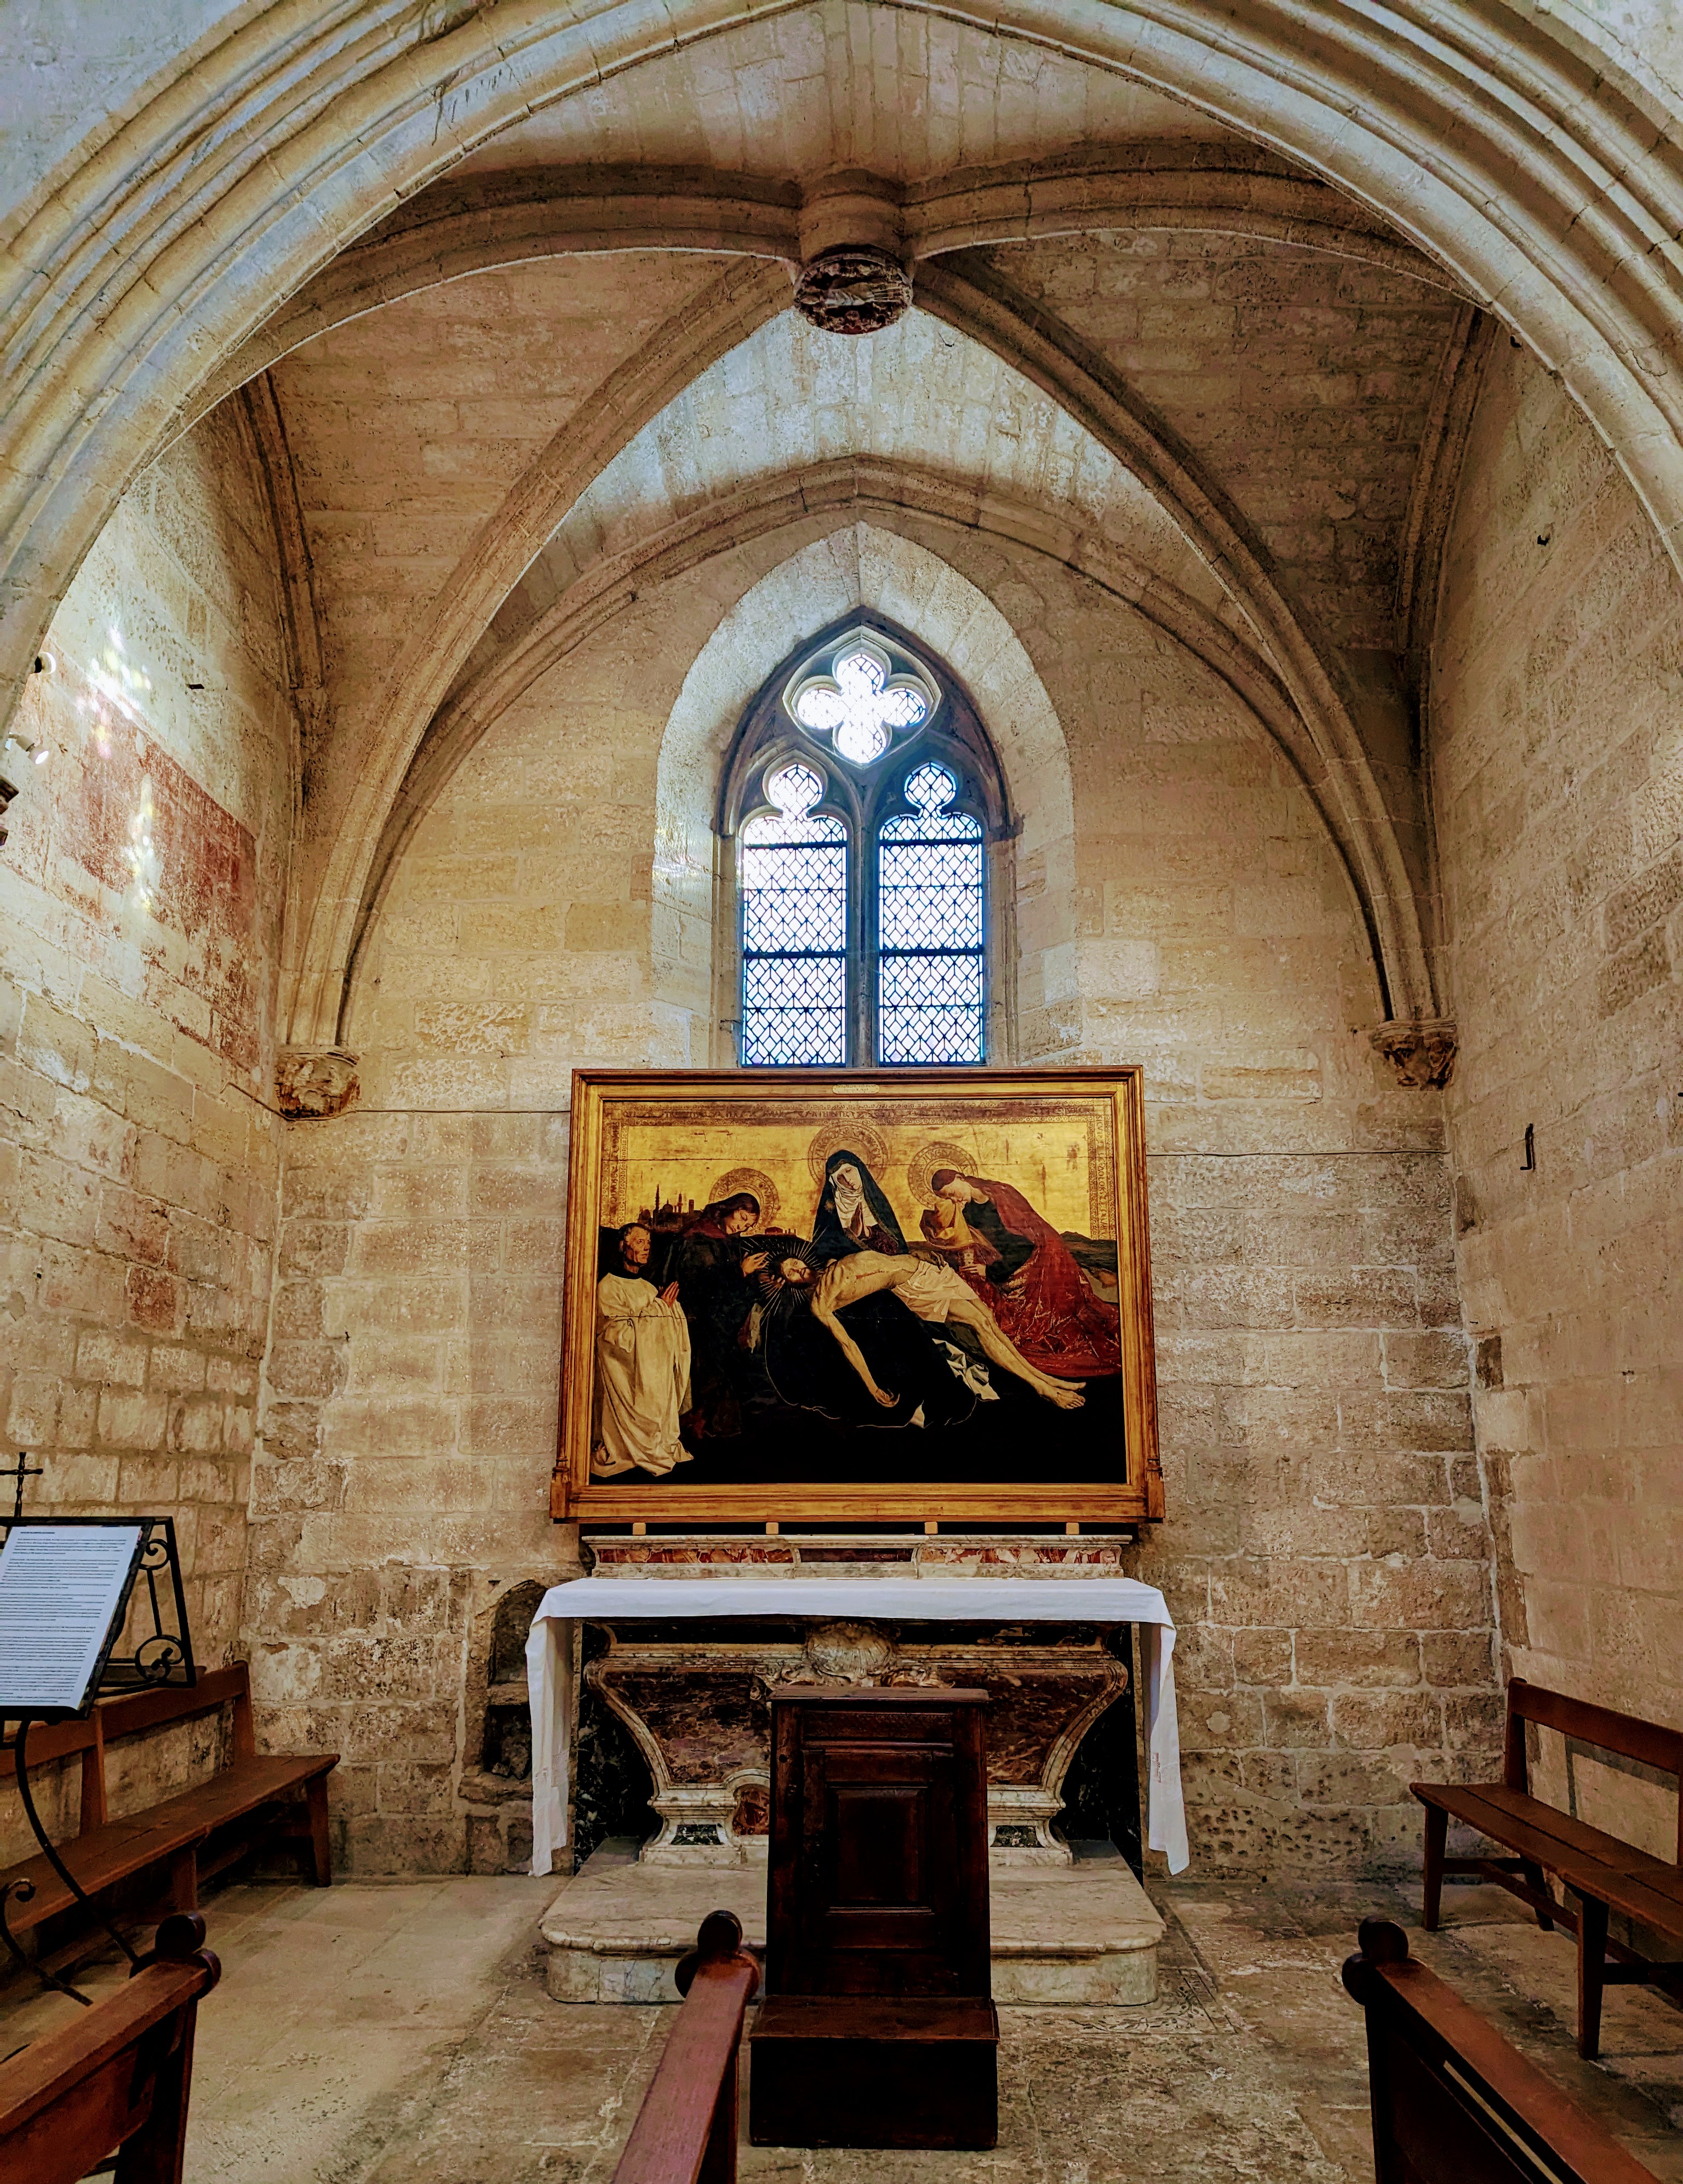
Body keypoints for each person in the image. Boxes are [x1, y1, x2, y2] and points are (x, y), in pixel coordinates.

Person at [775, 1249, 1086, 1410]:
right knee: (980, 1325)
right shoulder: (821, 1303)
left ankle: (1047, 1378)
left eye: (794, 1262)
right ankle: (1042, 1389)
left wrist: (918, 1256)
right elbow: (848, 1345)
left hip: (925, 1270)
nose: (797, 1268)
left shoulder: (830, 1263)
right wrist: (872, 1387)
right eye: (790, 1272)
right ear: (788, 1283)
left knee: (989, 1321)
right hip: (914, 1288)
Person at [928, 1169, 1121, 1377]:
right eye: (948, 1198)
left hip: (1040, 1260)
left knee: (1028, 1329)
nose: (954, 1199)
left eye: (952, 1193)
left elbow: (1027, 1245)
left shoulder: (1001, 1196)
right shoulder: (968, 1211)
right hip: (1009, 1262)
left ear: (960, 1178)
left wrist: (990, 1271)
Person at [591, 1223, 694, 1477]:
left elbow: (665, 1332)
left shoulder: (648, 1288)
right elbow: (615, 1338)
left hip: (652, 1371)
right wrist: (659, 1308)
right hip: (624, 1376)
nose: (647, 1248)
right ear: (622, 1246)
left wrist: (670, 1309)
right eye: (640, 1242)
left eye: (648, 1243)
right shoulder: (608, 1288)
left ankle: (656, 1443)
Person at [810, 1151, 907, 1261]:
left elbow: (896, 1246)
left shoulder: (875, 1200)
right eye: (840, 1177)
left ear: (858, 1169)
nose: (848, 1180)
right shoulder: (832, 1209)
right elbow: (824, 1250)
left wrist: (868, 1233)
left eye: (849, 1171)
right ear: (834, 1182)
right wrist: (853, 1234)